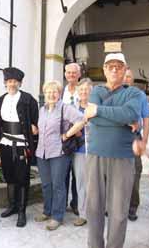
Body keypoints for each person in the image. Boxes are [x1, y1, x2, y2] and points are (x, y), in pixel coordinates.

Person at [84, 53, 142, 248]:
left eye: (119, 66)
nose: (115, 69)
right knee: (93, 208)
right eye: (110, 66)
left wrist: (99, 110)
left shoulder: (134, 94)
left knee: (118, 211)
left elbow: (131, 113)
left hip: (123, 158)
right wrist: (123, 120)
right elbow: (91, 118)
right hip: (96, 156)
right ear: (104, 70)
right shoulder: (96, 91)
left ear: (125, 69)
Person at [35, 80, 85, 231]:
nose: (51, 94)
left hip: (59, 153)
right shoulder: (42, 110)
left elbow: (81, 120)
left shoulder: (65, 108)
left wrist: (67, 134)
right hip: (42, 152)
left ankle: (57, 216)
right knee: (46, 184)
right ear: (45, 94)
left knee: (58, 185)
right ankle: (47, 211)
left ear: (59, 93)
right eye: (48, 92)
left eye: (54, 91)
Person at [0, 67, 38, 227]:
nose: (12, 84)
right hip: (5, 143)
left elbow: (35, 121)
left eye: (15, 82)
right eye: (9, 81)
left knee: (22, 178)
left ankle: (21, 211)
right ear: (5, 83)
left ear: (20, 83)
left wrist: (34, 128)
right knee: (9, 175)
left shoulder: (28, 99)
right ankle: (12, 206)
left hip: (22, 144)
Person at [123, 68, 149, 221]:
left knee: (134, 174)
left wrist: (144, 141)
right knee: (114, 174)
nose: (126, 79)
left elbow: (146, 120)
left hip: (134, 137)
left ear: (132, 80)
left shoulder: (140, 95)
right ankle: (114, 206)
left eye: (129, 77)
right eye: (124, 76)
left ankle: (132, 208)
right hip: (116, 138)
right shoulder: (114, 93)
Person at [72, 78, 93, 227]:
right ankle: (83, 213)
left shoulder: (96, 107)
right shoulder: (72, 108)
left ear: (91, 91)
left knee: (97, 183)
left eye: (86, 89)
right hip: (79, 151)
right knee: (81, 183)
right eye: (81, 90)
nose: (83, 92)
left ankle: (98, 210)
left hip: (96, 151)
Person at [62, 62, 81, 215]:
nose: (71, 75)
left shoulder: (84, 91)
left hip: (80, 137)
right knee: (63, 172)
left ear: (79, 74)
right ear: (65, 74)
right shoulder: (60, 91)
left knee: (78, 173)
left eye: (74, 73)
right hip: (64, 137)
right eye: (68, 72)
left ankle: (75, 203)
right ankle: (61, 204)